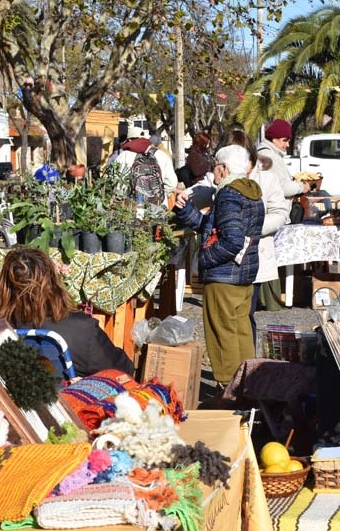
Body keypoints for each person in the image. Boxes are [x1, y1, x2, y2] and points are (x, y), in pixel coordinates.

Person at [173, 145, 264, 388]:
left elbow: (231, 240)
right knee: (241, 331)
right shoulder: (250, 191)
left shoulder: (228, 194)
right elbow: (214, 228)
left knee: (221, 334)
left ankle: (228, 388)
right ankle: (249, 385)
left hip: (224, 277)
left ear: (223, 169)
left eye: (214, 166)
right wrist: (186, 211)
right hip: (242, 276)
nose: (213, 171)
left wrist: (205, 259)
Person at [0, 247, 134, 376]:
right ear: (53, 283)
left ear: (3, 286)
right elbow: (123, 371)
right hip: (64, 413)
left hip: (3, 412)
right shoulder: (82, 330)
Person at [220, 128, 289, 341]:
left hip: (254, 257)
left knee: (246, 313)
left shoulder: (266, 179)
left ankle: (247, 363)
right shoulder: (221, 176)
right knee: (226, 317)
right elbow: (203, 190)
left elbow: (280, 213)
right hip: (225, 259)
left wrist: (253, 227)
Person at [257, 119, 310, 208]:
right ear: (274, 139)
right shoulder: (270, 156)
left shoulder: (268, 154)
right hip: (273, 211)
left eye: (288, 141)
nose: (288, 145)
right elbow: (282, 187)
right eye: (285, 140)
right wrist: (302, 187)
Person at [116, 133, 178, 205]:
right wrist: (160, 195)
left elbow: (116, 181)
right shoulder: (162, 155)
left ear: (129, 140)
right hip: (158, 207)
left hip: (131, 207)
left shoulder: (124, 155)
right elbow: (172, 183)